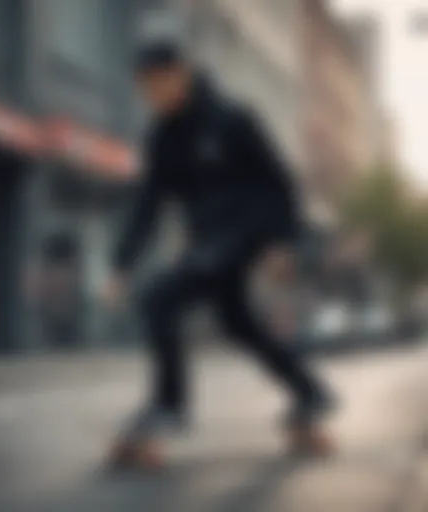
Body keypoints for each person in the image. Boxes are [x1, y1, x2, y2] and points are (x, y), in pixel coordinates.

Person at [102, 40, 335, 469]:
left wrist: (283, 241)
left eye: (158, 85)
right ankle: (310, 392)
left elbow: (280, 179)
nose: (152, 96)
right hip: (208, 240)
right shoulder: (160, 139)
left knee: (161, 298)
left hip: (246, 230)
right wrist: (120, 264)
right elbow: (146, 205)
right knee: (238, 324)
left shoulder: (232, 119)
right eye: (144, 89)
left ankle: (169, 407)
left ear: (182, 75)